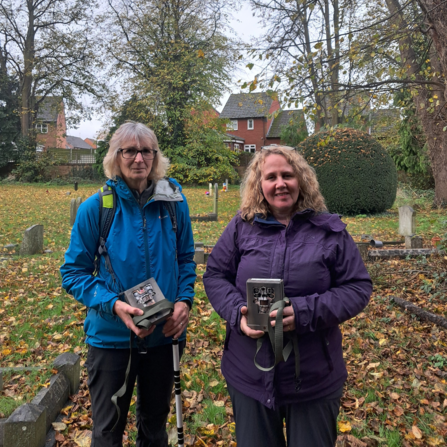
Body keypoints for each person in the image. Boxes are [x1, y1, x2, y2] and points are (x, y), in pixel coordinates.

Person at [203, 145, 372, 447]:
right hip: (249, 372)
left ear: (302, 180)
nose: (280, 183)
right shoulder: (242, 226)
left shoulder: (329, 230)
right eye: (271, 177)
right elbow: (215, 275)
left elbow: (357, 287)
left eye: (287, 175)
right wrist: (237, 312)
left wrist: (306, 312)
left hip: (312, 376)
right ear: (260, 185)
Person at [61, 122, 196, 447]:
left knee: (154, 429)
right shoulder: (96, 209)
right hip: (111, 340)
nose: (139, 158)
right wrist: (115, 304)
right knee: (107, 433)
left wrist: (184, 301)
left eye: (146, 151)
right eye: (130, 151)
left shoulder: (174, 202)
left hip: (164, 337)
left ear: (155, 156)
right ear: (115, 156)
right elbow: (73, 273)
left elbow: (186, 258)